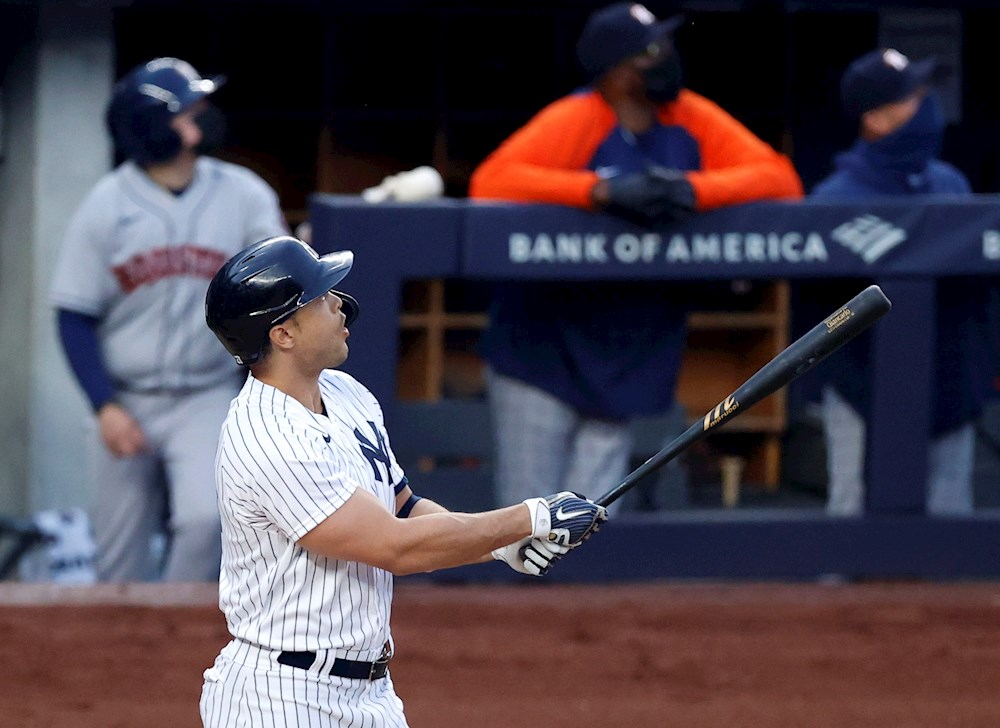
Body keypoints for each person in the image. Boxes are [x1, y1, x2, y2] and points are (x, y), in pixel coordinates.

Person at [198, 235, 607, 726]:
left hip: (370, 694)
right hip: (282, 698)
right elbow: (394, 546)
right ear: (284, 334)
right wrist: (527, 518)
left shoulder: (346, 393)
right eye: (322, 298)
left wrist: (500, 546)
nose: (340, 304)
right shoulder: (268, 437)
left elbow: (405, 507)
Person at [468, 2, 803, 510]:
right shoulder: (580, 117)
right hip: (543, 347)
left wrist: (694, 189)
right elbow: (490, 182)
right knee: (528, 519)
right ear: (619, 72)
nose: (667, 57)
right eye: (652, 51)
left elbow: (780, 179)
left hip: (630, 349)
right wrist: (598, 191)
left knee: (592, 518)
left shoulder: (687, 116)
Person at [49, 57, 289, 582]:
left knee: (207, 520)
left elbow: (279, 282)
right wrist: (104, 406)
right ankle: (121, 636)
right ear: (154, 128)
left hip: (206, 394)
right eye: (188, 110)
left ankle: (174, 628)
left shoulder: (244, 194)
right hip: (126, 395)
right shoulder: (106, 205)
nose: (203, 116)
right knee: (119, 558)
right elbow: (73, 315)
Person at [811, 47, 991, 516]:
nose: (926, 104)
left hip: (949, 372)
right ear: (874, 118)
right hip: (861, 380)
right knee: (851, 515)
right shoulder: (835, 197)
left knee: (949, 523)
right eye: (912, 97)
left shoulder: (950, 184)